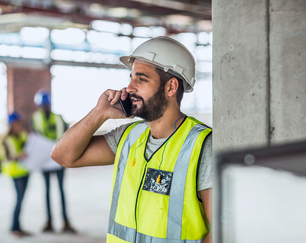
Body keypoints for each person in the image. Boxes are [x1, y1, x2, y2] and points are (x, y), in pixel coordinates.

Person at [51, 36, 212, 243]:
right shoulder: (128, 137)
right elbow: (63, 156)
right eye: (131, 77)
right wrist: (100, 113)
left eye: (141, 79)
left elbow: (220, 228)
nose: (129, 87)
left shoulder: (202, 145)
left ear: (171, 87)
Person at [31, 91, 75, 233]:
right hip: (45, 161)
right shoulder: (34, 119)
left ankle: (65, 222)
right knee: (47, 191)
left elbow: (67, 136)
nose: (44, 107)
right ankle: (49, 222)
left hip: (59, 159)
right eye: (42, 105)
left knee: (61, 191)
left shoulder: (59, 118)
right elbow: (35, 140)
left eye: (46, 105)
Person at [0, 112, 31, 238]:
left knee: (21, 200)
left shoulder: (22, 135)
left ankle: (18, 227)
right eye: (17, 123)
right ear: (11, 125)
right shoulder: (4, 140)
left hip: (25, 171)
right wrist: (18, 156)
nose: (19, 125)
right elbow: (5, 158)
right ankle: (14, 228)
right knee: (18, 200)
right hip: (15, 173)